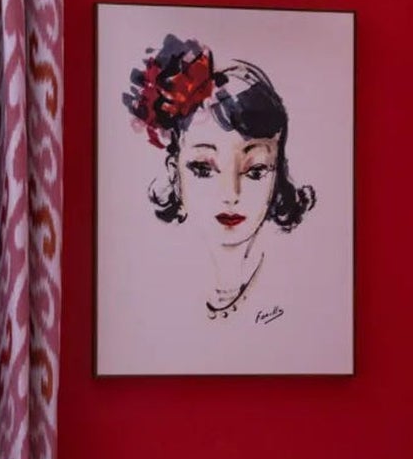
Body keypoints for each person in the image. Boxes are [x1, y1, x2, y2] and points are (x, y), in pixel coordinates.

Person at [123, 34, 315, 319]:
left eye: (255, 170)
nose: (230, 193)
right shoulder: (150, 293)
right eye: (203, 168)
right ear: (175, 174)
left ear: (278, 175)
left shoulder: (304, 290)